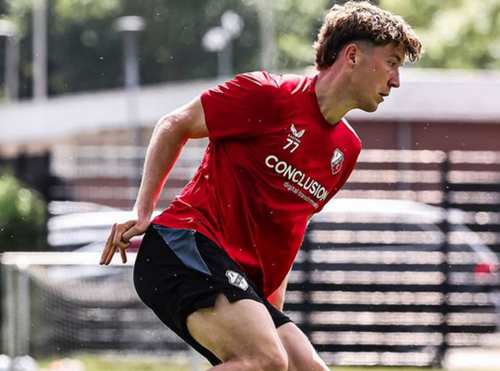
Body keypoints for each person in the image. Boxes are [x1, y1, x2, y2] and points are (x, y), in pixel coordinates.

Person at [100, 1, 423, 370]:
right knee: (266, 359)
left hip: (234, 276)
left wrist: (267, 311)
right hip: (180, 246)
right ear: (352, 56)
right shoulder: (269, 94)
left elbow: (288, 228)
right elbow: (175, 124)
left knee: (305, 368)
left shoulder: (347, 150)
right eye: (392, 63)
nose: (396, 81)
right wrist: (143, 212)